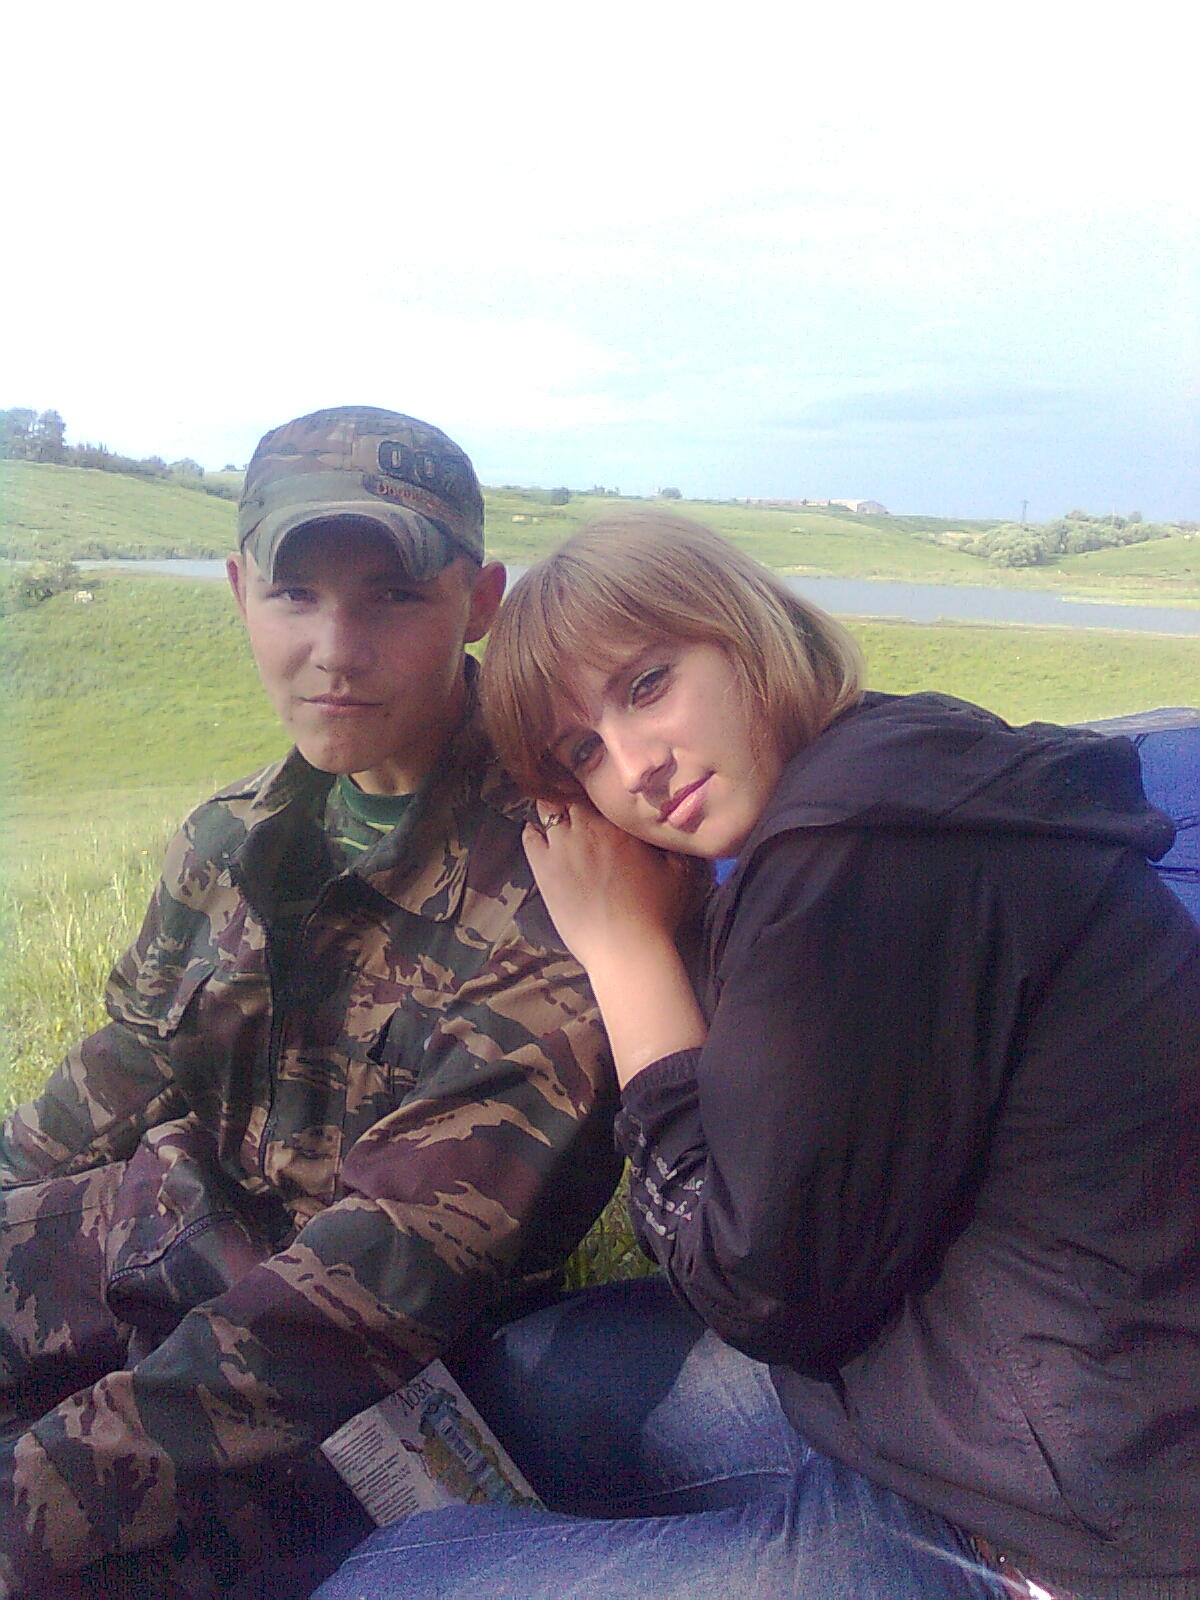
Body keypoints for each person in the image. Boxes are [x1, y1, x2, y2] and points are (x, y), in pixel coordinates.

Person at [317, 511, 1200, 1600]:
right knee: (520, 1379)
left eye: (647, 685)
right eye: (582, 752)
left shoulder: (854, 855)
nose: (636, 768)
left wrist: (624, 952)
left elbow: (750, 1285)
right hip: (988, 1380)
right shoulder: (891, 765)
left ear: (746, 632)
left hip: (1071, 1529)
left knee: (392, 1578)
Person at [0, 408, 620, 1597]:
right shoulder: (233, 835)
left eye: (393, 596)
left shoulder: (559, 876)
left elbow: (374, 1291)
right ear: (242, 591)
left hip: (369, 1391)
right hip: (168, 1235)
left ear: (480, 601)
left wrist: (46, 1482)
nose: (337, 650)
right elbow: (125, 1065)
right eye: (296, 594)